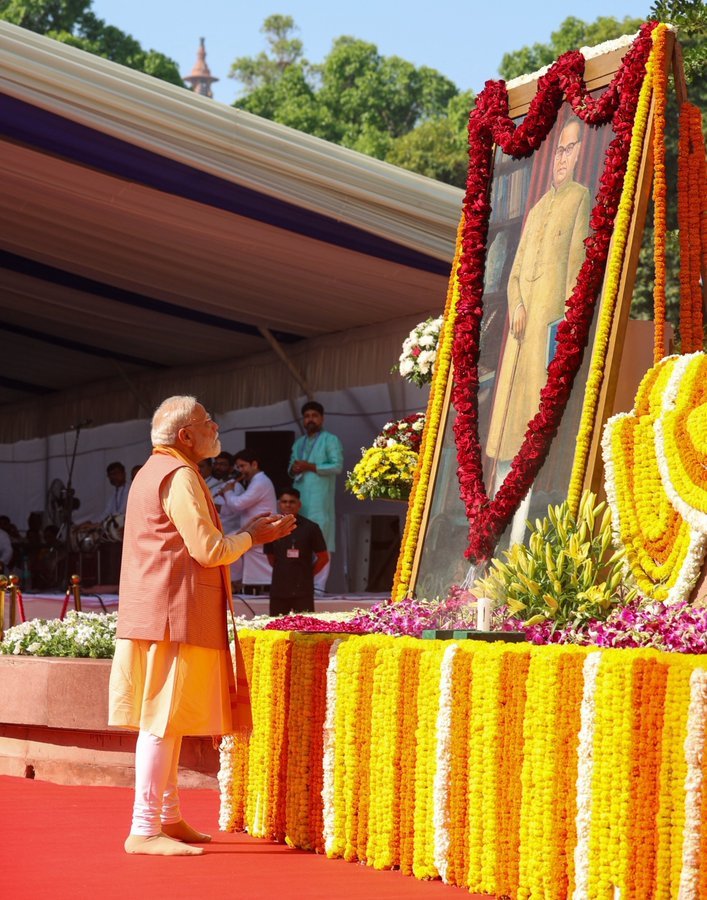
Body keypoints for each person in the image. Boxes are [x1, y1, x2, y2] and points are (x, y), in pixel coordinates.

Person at [108, 395, 295, 856]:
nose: (216, 429)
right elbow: (209, 551)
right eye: (207, 423)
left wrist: (249, 531)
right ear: (185, 436)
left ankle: (166, 819)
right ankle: (144, 828)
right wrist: (256, 536)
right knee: (161, 721)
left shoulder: (155, 470)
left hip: (162, 611)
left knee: (166, 720)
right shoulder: (178, 475)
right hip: (173, 614)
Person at [485, 116, 590, 544]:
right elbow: (512, 275)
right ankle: (491, 535)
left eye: (569, 149)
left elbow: (578, 273)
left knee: (533, 439)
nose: (561, 159)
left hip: (546, 342)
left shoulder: (579, 199)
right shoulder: (536, 211)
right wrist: (519, 305)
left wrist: (560, 330)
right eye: (558, 150)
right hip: (518, 341)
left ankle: (520, 540)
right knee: (506, 440)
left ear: (582, 153)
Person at [288, 401, 343, 590]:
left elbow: (337, 466)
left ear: (322, 418)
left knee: (322, 542)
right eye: (307, 416)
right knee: (300, 541)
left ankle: (318, 587)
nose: (310, 419)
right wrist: (294, 469)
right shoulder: (299, 443)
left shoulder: (330, 440)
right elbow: (291, 467)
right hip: (301, 501)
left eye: (314, 416)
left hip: (320, 502)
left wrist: (309, 466)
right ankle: (301, 584)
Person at [217, 449, 277, 594]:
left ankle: (235, 582)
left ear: (254, 464)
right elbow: (237, 507)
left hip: (261, 530)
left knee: (228, 544)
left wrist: (228, 491)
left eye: (243, 466)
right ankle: (236, 582)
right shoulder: (255, 481)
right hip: (254, 530)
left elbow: (238, 504)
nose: (240, 470)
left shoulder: (261, 481)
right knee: (227, 543)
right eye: (238, 467)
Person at [265, 488, 329, 616]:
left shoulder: (311, 527)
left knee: (305, 629)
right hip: (279, 588)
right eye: (284, 502)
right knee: (276, 628)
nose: (288, 505)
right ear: (279, 504)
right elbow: (270, 557)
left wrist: (307, 573)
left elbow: (323, 557)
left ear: (299, 505)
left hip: (303, 589)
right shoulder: (271, 527)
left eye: (292, 502)